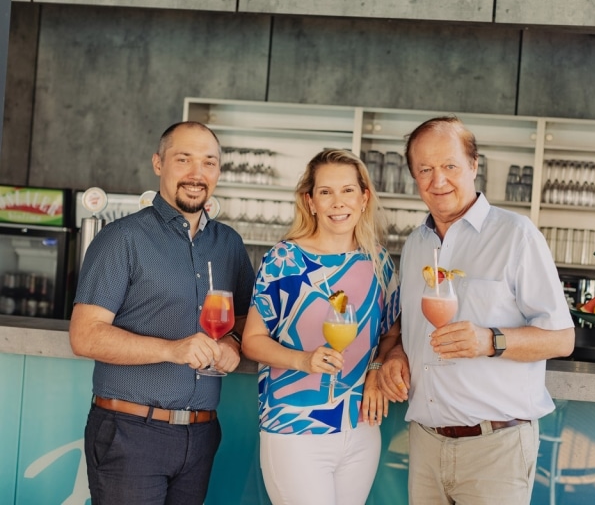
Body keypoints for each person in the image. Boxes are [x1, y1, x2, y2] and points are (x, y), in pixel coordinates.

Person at [377, 116, 575, 504]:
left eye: (449, 166)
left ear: (473, 165)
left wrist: (490, 340)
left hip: (495, 447)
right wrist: (396, 353)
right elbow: (408, 324)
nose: (438, 181)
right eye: (425, 169)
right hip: (425, 443)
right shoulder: (416, 243)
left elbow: (563, 339)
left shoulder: (516, 235)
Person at [69, 121, 255, 505]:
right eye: (183, 159)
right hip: (131, 433)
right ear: (158, 163)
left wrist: (234, 345)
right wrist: (173, 349)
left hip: (201, 435)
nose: (196, 174)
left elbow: (243, 323)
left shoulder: (229, 245)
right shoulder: (122, 239)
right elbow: (85, 335)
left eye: (208, 162)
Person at [241, 149, 401, 505]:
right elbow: (252, 341)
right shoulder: (284, 259)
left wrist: (376, 368)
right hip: (295, 428)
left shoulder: (378, 262)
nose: (337, 202)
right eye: (326, 192)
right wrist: (303, 360)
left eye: (347, 190)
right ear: (310, 201)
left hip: (361, 427)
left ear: (364, 198)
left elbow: (392, 334)